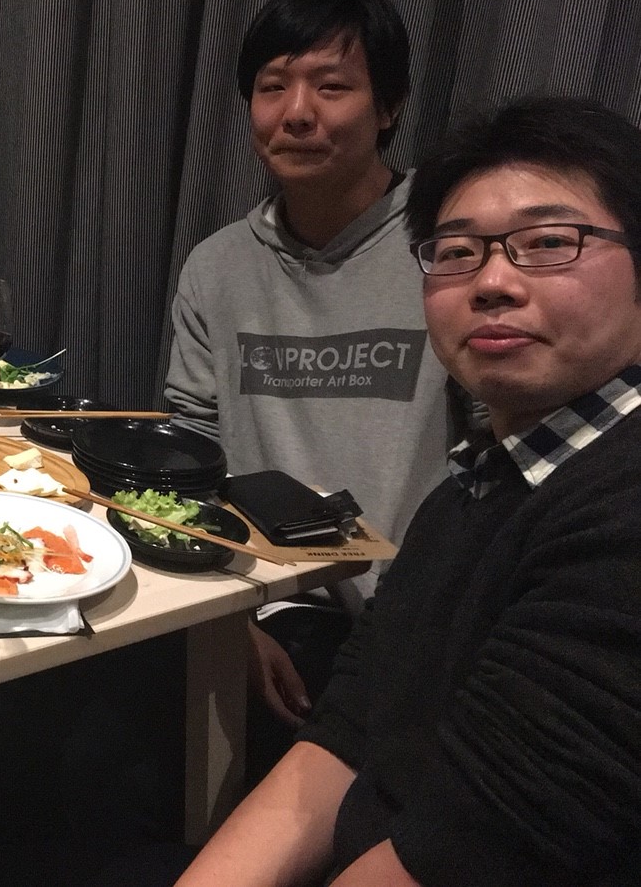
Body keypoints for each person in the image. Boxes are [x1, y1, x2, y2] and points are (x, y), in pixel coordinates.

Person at [177, 95, 641, 886]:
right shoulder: (473, 489)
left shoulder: (621, 510)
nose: (493, 281)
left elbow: (470, 850)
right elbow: (347, 735)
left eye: (548, 243)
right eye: (457, 252)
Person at [164, 0, 466, 737]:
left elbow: (500, 467)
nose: (297, 112)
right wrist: (225, 621)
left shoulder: (455, 252)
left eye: (332, 87)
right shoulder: (217, 267)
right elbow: (190, 461)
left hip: (416, 622)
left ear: (388, 107)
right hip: (260, 605)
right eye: (273, 87)